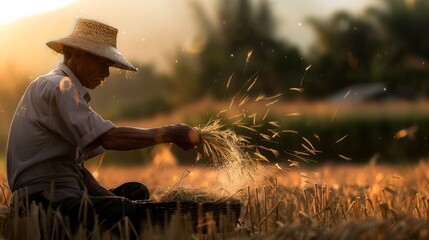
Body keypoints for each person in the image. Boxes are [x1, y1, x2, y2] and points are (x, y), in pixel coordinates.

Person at [6, 18, 200, 232]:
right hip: (40, 203)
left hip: (62, 196)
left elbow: (76, 170)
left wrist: (112, 198)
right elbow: (109, 138)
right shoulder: (58, 87)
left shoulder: (62, 88)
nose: (106, 73)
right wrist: (169, 133)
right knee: (125, 210)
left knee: (136, 193)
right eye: (102, 63)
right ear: (77, 54)